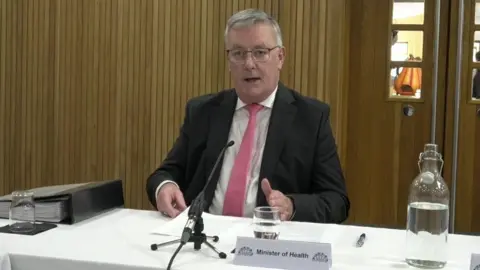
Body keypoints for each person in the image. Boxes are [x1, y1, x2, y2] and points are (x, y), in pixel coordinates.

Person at [146, 9, 349, 223]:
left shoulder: (311, 118)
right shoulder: (203, 112)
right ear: (228, 60)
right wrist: (164, 187)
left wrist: (292, 206)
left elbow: (337, 202)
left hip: (269, 243)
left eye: (260, 52)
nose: (249, 64)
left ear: (280, 57)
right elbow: (164, 174)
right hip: (204, 237)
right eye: (238, 53)